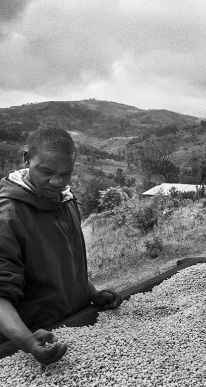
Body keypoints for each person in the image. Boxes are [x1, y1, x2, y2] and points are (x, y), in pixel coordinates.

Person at [0, 126, 122, 365]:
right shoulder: (8, 216)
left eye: (66, 174)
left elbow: (67, 262)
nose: (56, 182)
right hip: (37, 338)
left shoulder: (65, 201)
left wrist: (92, 294)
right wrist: (27, 341)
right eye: (46, 171)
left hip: (76, 326)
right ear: (27, 158)